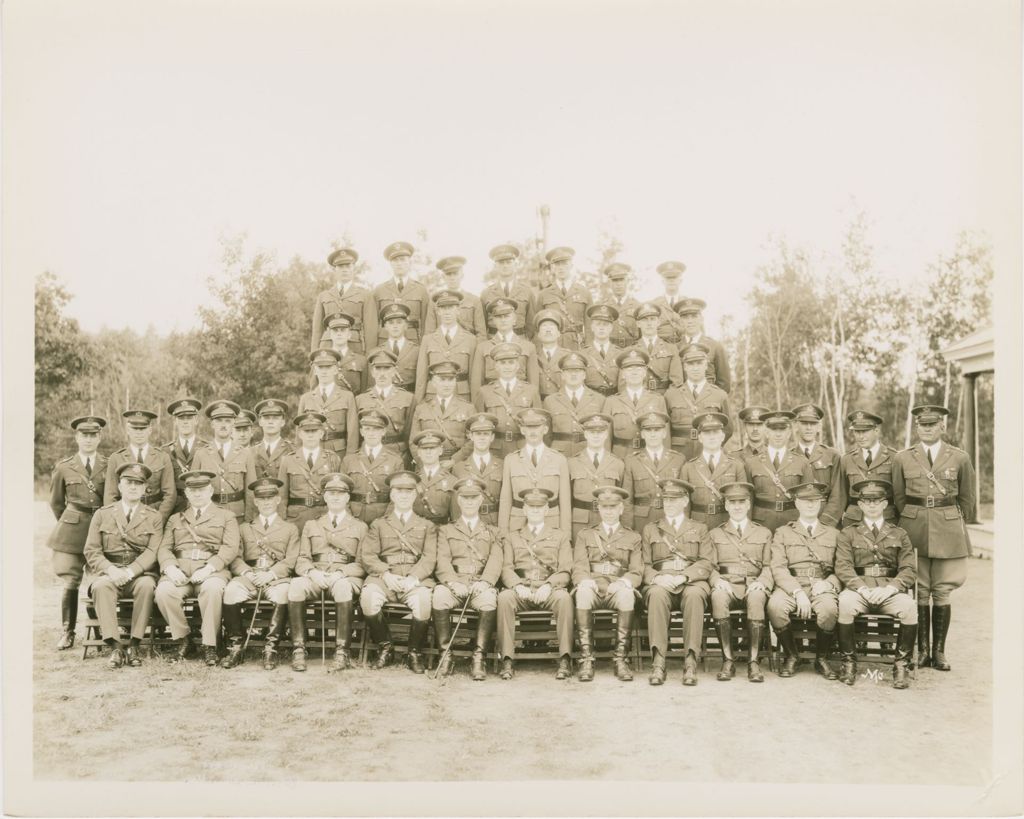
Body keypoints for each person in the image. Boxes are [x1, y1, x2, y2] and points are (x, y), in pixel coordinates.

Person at [892, 404, 976, 672]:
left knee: (942, 590)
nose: (926, 429)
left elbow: (967, 498)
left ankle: (939, 651)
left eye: (932, 424)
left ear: (943, 426)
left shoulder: (959, 457)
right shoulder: (903, 458)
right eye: (922, 424)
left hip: (948, 526)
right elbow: (898, 497)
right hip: (914, 527)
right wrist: (913, 518)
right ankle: (923, 651)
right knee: (919, 589)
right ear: (916, 427)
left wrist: (954, 522)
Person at [835, 478, 918, 689]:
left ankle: (901, 665)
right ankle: (849, 662)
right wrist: (862, 588)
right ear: (860, 505)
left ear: (885, 504)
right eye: (867, 501)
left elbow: (909, 569)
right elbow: (843, 567)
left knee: (909, 607)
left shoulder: (900, 533)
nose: (872, 505)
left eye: (877, 500)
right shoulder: (848, 533)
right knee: (845, 603)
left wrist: (890, 589)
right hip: (859, 589)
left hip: (888, 590)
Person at [154, 470, 240, 665]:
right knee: (164, 591)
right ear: (186, 494)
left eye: (201, 490)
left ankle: (210, 645)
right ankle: (184, 640)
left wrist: (209, 568)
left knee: (212, 589)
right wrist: (170, 568)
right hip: (181, 570)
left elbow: (230, 548)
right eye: (192, 491)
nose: (197, 494)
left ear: (211, 491)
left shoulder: (226, 516)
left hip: (212, 570)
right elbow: (164, 549)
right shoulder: (176, 519)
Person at [82, 462, 161, 668]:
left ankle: (135, 643)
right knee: (100, 587)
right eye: (128, 482)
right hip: (109, 572)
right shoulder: (102, 514)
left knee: (147, 586)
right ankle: (116, 646)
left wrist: (130, 571)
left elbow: (153, 551)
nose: (133, 487)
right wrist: (111, 570)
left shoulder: (154, 516)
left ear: (145, 488)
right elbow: (91, 550)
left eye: (138, 483)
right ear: (120, 486)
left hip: (139, 574)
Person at [358, 471, 438, 673]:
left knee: (423, 602)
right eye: (399, 491)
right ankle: (386, 647)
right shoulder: (379, 524)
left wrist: (414, 578)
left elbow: (429, 558)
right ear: (392, 495)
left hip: (414, 579)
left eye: (409, 492)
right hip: (385, 578)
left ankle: (414, 652)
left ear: (415, 495)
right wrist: (385, 574)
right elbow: (368, 556)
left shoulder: (427, 525)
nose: (403, 496)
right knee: (368, 598)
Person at [288, 472, 368, 673]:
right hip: (317, 575)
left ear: (348, 497)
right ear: (324, 497)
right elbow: (302, 559)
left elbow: (362, 564)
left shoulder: (360, 526)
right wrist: (313, 573)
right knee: (296, 586)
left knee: (341, 587)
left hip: (344, 577)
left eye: (340, 493)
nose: (335, 497)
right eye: (331, 493)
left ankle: (342, 651)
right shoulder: (312, 524)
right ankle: (299, 649)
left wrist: (340, 573)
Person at [220, 477, 300, 671]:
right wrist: (247, 572)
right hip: (250, 576)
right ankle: (236, 646)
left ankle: (270, 648)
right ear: (255, 501)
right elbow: (235, 557)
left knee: (283, 594)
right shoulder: (244, 528)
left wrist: (271, 574)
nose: (266, 502)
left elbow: (291, 560)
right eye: (261, 498)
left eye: (270, 498)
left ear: (278, 500)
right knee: (230, 591)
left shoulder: (290, 528)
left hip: (275, 578)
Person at [495, 488, 575, 680]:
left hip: (549, 590)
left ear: (547, 510)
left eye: (540, 507)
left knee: (564, 599)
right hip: (521, 589)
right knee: (504, 598)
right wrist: (517, 586)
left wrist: (548, 585)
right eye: (531, 507)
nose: (536, 511)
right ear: (524, 509)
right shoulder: (512, 536)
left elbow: (565, 569)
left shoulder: (561, 536)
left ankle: (564, 658)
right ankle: (507, 658)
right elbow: (506, 568)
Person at [641, 478, 713, 686]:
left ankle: (690, 661)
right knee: (655, 595)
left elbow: (707, 562)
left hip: (691, 581)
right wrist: (658, 577)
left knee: (694, 596)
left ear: (685, 501)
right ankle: (658, 661)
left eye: (674, 499)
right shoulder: (651, 529)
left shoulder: (699, 528)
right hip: (661, 582)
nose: (669, 504)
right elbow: (643, 565)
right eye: (666, 500)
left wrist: (685, 576)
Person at [432, 477, 505, 680]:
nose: (470, 502)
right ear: (458, 500)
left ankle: (478, 657)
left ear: (481, 500)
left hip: (480, 585)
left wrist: (485, 582)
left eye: (474, 497)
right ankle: (445, 655)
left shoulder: (493, 532)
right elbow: (442, 560)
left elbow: (495, 560)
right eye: (465, 498)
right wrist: (453, 582)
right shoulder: (446, 530)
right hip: (455, 583)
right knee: (439, 595)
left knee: (489, 600)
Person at [767, 481, 841, 680]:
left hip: (821, 584)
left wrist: (828, 583)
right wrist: (797, 592)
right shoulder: (783, 532)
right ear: (796, 503)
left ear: (821, 503)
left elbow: (841, 568)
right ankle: (792, 655)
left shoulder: (834, 534)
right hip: (791, 584)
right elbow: (778, 567)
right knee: (775, 606)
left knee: (829, 609)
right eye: (805, 501)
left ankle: (821, 658)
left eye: (815, 501)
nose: (810, 505)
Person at [48, 415, 108, 650]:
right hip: (72, 529)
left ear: (100, 437)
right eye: (84, 435)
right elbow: (56, 503)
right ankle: (68, 631)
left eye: (93, 435)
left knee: (100, 580)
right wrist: (71, 520)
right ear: (76, 437)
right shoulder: (64, 467)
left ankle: (101, 628)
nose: (89, 439)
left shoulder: (108, 463)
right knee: (71, 581)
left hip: (101, 527)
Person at [572, 485, 643, 682]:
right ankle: (587, 659)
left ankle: (621, 658)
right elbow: (579, 565)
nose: (609, 511)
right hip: (593, 587)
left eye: (613, 506)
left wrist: (623, 582)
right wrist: (584, 581)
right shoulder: (585, 535)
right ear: (599, 509)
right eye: (605, 507)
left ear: (621, 508)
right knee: (582, 593)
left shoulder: (633, 537)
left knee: (627, 595)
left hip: (617, 589)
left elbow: (637, 570)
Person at [706, 481, 773, 683]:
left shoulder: (764, 533)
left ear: (749, 504)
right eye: (732, 502)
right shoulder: (715, 534)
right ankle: (728, 660)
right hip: (727, 584)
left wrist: (762, 581)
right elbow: (709, 565)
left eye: (741, 502)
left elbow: (770, 565)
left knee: (756, 597)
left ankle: (753, 662)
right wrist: (716, 580)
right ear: (725, 505)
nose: (736, 506)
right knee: (717, 596)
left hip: (753, 583)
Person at [823, 409, 900, 529]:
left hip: (885, 520)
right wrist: (827, 525)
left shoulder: (894, 457)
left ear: (876, 430)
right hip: (854, 521)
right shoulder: (847, 459)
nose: (860, 436)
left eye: (865, 431)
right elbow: (840, 495)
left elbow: (899, 495)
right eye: (857, 432)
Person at [498, 408, 571, 534]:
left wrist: (566, 535)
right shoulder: (511, 460)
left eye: (537, 427)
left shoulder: (559, 459)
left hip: (551, 525)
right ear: (522, 430)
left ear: (545, 429)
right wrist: (503, 534)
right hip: (518, 525)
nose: (532, 431)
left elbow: (565, 502)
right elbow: (505, 501)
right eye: (528, 427)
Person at [741, 410, 814, 533]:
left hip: (792, 523)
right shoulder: (752, 462)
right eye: (774, 430)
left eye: (782, 430)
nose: (778, 434)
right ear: (766, 432)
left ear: (789, 433)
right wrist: (747, 527)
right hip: (760, 524)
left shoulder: (801, 462)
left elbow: (807, 498)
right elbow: (748, 498)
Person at [104, 409, 176, 525]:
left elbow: (170, 494)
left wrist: (159, 519)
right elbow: (110, 495)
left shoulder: (162, 457)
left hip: (154, 513)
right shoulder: (116, 458)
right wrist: (119, 521)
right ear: (128, 430)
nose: (139, 432)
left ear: (150, 430)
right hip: (125, 516)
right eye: (134, 428)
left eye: (143, 429)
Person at [473, 341, 542, 458]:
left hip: (522, 447)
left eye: (511, 362)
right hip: (494, 449)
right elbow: (478, 423)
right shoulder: (485, 392)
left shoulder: (531, 391)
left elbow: (538, 423)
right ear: (496, 366)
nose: (507, 366)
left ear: (518, 365)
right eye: (502, 363)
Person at [664, 343, 733, 460]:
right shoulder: (671, 395)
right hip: (679, 455)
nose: (695, 368)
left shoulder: (719, 395)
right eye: (690, 364)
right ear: (684, 366)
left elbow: (728, 429)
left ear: (706, 365)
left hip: (708, 455)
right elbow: (665, 430)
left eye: (699, 363)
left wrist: (713, 446)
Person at [680, 411, 746, 530]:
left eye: (715, 432)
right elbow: (684, 506)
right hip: (697, 526)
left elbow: (744, 502)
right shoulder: (688, 468)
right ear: (699, 437)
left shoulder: (736, 466)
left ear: (722, 436)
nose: (711, 436)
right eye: (706, 433)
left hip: (727, 526)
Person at [276, 412, 342, 530]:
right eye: (307, 431)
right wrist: (282, 522)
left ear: (321, 433)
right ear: (300, 434)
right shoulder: (288, 460)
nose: (310, 435)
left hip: (324, 518)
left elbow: (339, 493)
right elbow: (282, 496)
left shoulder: (332, 459)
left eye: (314, 431)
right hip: (296, 519)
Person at [621, 411, 685, 533]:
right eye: (649, 431)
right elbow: (627, 500)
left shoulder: (678, 459)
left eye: (657, 430)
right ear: (643, 434)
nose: (653, 434)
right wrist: (628, 529)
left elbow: (684, 497)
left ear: (664, 433)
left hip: (669, 518)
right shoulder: (631, 461)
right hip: (641, 520)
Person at [566, 413, 626, 538]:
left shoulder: (618, 463)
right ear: (586, 434)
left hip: (606, 521)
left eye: (600, 432)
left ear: (606, 434)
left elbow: (621, 498)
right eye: (591, 432)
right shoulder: (572, 463)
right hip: (579, 522)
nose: (596, 435)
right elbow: (567, 499)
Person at [603, 349, 668, 460]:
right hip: (620, 456)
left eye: (638, 368)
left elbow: (665, 436)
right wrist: (607, 461)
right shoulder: (611, 401)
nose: (634, 372)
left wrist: (664, 459)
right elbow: (605, 437)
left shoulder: (657, 399)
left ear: (644, 373)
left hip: (648, 457)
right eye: (629, 369)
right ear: (622, 374)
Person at [341, 410, 404, 524]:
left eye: (376, 429)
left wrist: (386, 520)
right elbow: (341, 493)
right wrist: (348, 518)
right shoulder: (349, 460)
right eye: (367, 429)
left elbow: (398, 495)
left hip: (382, 517)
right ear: (361, 432)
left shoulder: (395, 460)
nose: (371, 433)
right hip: (354, 517)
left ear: (383, 431)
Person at [364, 241, 430, 349]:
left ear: (409, 262)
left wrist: (424, 349)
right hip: (385, 342)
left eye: (403, 259)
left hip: (413, 342)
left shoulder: (421, 290)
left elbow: (426, 325)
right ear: (390, 263)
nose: (399, 263)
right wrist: (372, 352)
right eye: (395, 260)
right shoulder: (379, 290)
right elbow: (372, 325)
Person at [470, 298, 540, 399]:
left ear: (515, 319)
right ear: (493, 320)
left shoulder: (528, 347)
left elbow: (534, 385)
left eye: (507, 316)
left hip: (520, 400)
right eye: (498, 317)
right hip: (491, 401)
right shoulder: (483, 348)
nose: (503, 320)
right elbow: (476, 384)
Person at [415, 289, 477, 402]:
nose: (447, 312)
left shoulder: (471, 340)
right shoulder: (428, 340)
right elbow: (421, 378)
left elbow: (474, 379)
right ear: (438, 311)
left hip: (461, 397)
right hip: (433, 397)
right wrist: (418, 404)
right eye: (443, 308)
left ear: (458, 310)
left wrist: (474, 405)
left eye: (451, 307)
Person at [355, 349, 416, 463]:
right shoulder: (360, 399)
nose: (382, 374)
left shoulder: (408, 398)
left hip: (398, 454)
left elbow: (409, 432)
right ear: (372, 372)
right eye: (378, 368)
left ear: (394, 371)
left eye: (387, 368)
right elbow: (358, 434)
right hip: (369, 455)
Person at [409, 361, 474, 464]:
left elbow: (473, 440)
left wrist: (454, 460)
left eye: (451, 380)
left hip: (458, 463)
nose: (446, 384)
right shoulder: (421, 408)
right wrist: (425, 463)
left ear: (455, 381)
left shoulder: (468, 408)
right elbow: (413, 442)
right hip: (427, 463)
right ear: (433, 382)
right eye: (442, 380)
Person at [193, 400, 248, 522]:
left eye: (228, 421)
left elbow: (250, 492)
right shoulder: (201, 454)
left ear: (233, 423)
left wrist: (248, 521)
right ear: (212, 424)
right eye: (219, 421)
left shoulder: (245, 453)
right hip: (208, 516)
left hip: (237, 516)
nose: (223, 425)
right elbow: (192, 490)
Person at [543, 351, 606, 459]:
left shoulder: (599, 399)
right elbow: (546, 435)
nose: (573, 374)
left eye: (577, 370)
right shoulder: (550, 401)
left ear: (584, 374)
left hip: (588, 454)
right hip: (559, 455)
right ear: (562, 375)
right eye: (568, 371)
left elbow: (604, 433)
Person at [297, 349, 359, 456]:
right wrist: (299, 456)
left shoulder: (347, 396)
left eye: (328, 367)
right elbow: (299, 433)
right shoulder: (306, 399)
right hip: (313, 451)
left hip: (339, 452)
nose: (324, 371)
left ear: (335, 370)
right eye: (320, 367)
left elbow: (353, 432)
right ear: (315, 370)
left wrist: (350, 458)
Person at [311, 248, 371, 354]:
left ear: (353, 268)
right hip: (327, 346)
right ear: (334, 269)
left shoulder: (365, 295)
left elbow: (371, 330)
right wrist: (314, 356)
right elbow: (317, 331)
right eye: (340, 266)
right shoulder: (323, 296)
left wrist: (371, 357)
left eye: (348, 266)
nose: (344, 269)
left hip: (354, 345)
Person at [450, 413, 503, 526]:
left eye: (486, 434)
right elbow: (455, 504)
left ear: (492, 437)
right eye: (478, 434)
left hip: (495, 522)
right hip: (469, 523)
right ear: (471, 436)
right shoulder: (458, 468)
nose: (482, 438)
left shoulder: (502, 465)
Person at [533, 246, 591, 349]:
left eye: (564, 263)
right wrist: (539, 350)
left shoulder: (584, 292)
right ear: (552, 267)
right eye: (557, 264)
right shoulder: (544, 294)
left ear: (571, 265)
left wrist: (589, 348)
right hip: (551, 345)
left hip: (577, 345)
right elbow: (537, 327)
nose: (561, 267)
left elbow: (590, 326)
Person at [244, 399, 293, 516]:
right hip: (257, 514)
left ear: (282, 422)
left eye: (275, 418)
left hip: (284, 514)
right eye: (266, 418)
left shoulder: (293, 451)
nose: (270, 422)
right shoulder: (249, 453)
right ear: (260, 421)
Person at [672, 297, 732, 393]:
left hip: (709, 403)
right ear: (681, 321)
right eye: (685, 317)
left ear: (701, 319)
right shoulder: (674, 348)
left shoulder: (715, 347)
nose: (690, 321)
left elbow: (724, 384)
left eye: (694, 316)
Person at [162, 398, 206, 515]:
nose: (185, 422)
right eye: (181, 418)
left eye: (189, 418)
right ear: (175, 421)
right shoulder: (165, 451)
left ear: (196, 420)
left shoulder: (207, 448)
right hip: (174, 508)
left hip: (201, 505)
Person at [480, 244, 534, 338]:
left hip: (520, 341)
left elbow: (532, 325)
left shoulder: (527, 291)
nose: (505, 266)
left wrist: (527, 345)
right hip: (494, 342)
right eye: (501, 263)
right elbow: (482, 326)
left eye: (508, 262)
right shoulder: (486, 293)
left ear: (515, 264)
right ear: (495, 266)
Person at [425, 256, 487, 337]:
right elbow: (429, 333)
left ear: (462, 275)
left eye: (455, 273)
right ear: (443, 277)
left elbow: (481, 334)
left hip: (468, 347)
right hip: (441, 347)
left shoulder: (474, 300)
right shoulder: (434, 301)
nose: (452, 278)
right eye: (448, 274)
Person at [630, 303, 684, 394]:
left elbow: (677, 382)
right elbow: (625, 384)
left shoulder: (671, 349)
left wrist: (663, 401)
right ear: (638, 323)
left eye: (652, 319)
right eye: (645, 320)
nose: (649, 323)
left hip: (664, 399)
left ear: (658, 322)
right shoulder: (631, 351)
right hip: (640, 401)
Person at [789, 403, 840, 491]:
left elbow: (837, 492)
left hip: (824, 504)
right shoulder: (788, 456)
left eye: (813, 423)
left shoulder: (832, 455)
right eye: (804, 423)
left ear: (819, 427)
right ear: (796, 426)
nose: (809, 428)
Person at [370, 302, 420, 392]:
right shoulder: (378, 351)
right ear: (385, 326)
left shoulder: (417, 350)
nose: (395, 326)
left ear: (406, 326)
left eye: (399, 322)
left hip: (410, 395)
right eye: (391, 323)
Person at [319, 310, 368, 395]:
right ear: (330, 334)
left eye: (343, 330)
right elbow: (315, 393)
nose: (339, 334)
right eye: (335, 330)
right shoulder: (319, 361)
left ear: (349, 334)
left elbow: (365, 394)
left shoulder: (361, 361)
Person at [410, 431, 454, 526]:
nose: (428, 452)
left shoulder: (452, 481)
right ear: (418, 452)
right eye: (424, 448)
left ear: (440, 451)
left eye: (433, 448)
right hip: (415, 534)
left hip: (441, 533)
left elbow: (456, 519)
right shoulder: (411, 481)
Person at [579, 304, 624, 397]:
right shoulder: (582, 354)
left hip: (613, 400)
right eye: (598, 324)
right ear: (592, 327)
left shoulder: (620, 354)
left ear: (611, 328)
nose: (601, 327)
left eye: (605, 324)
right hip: (590, 401)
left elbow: (623, 385)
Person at [534, 310, 573, 399]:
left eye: (552, 326)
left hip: (561, 403)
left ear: (559, 333)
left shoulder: (567, 356)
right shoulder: (533, 356)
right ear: (538, 334)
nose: (548, 330)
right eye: (544, 326)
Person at [599, 263, 640, 349]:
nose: (618, 284)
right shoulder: (602, 306)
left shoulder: (638, 306)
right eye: (615, 280)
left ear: (627, 281)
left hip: (632, 350)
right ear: (610, 283)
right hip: (609, 350)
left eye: (621, 280)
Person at [650, 261, 688, 345]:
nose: (671, 281)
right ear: (663, 281)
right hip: (662, 351)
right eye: (668, 278)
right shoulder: (654, 304)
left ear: (680, 280)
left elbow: (698, 330)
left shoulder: (688, 304)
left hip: (685, 349)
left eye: (674, 277)